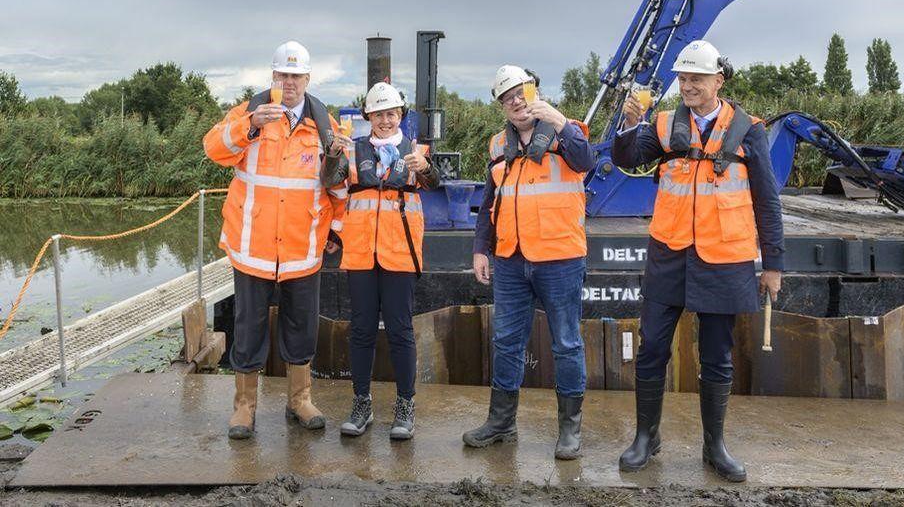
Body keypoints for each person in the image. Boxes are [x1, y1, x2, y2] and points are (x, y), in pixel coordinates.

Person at [612, 40, 785, 481]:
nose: (687, 86)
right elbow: (625, 157)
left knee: (717, 357)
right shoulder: (666, 123)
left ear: (717, 81)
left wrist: (773, 265)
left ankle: (715, 447)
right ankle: (645, 439)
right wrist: (630, 124)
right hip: (669, 255)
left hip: (724, 260)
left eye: (696, 79)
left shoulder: (748, 130)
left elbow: (767, 201)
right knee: (651, 349)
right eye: (683, 79)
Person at [204, 40, 345, 440]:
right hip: (254, 248)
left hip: (303, 250)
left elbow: (337, 184)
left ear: (308, 79)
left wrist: (336, 229)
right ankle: (244, 408)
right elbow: (213, 148)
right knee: (248, 329)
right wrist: (249, 126)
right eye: (282, 74)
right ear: (272, 76)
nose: (289, 82)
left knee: (301, 328)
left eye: (296, 75)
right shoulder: (249, 113)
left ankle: (299, 400)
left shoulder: (324, 123)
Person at [463, 65, 595, 460]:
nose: (516, 102)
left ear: (533, 91)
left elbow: (586, 161)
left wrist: (560, 121)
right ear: (501, 106)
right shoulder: (496, 146)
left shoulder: (566, 131)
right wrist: (480, 249)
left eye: (520, 93)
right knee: (505, 342)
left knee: (567, 343)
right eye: (507, 98)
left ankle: (570, 430)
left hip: (561, 258)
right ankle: (501, 422)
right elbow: (490, 202)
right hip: (510, 259)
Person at [322, 82, 440, 440]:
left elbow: (434, 184)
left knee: (402, 331)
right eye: (378, 114)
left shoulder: (416, 152)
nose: (385, 120)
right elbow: (331, 183)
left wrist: (427, 168)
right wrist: (331, 156)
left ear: (400, 116)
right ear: (368, 117)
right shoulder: (354, 151)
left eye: (391, 114)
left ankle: (406, 406)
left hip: (399, 252)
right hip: (360, 253)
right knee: (360, 330)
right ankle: (362, 403)